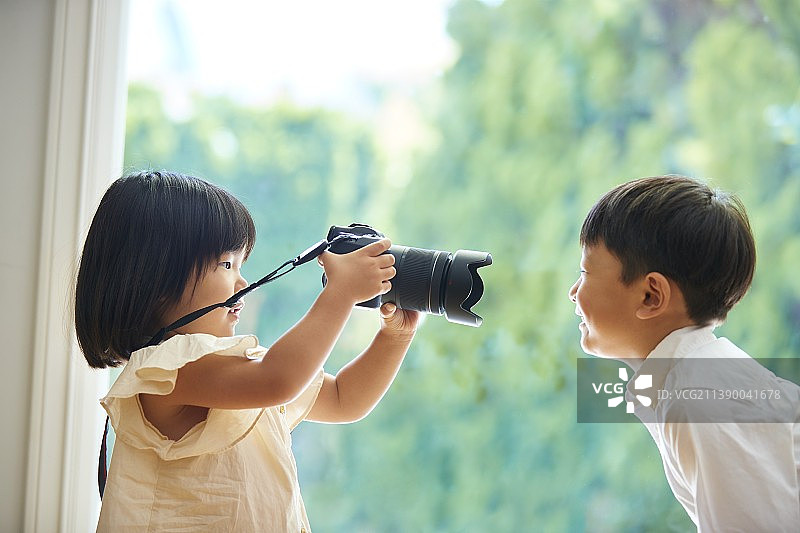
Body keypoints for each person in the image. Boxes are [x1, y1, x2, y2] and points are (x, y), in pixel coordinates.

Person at [74, 170, 419, 532]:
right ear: (155, 281)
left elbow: (345, 398)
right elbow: (279, 379)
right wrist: (341, 293)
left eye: (241, 265)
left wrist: (394, 338)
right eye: (226, 264)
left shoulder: (243, 371)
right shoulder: (163, 371)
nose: (242, 282)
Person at [568, 175, 800, 531]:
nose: (573, 291)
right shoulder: (700, 378)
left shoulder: (697, 397)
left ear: (650, 296)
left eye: (585, 272)